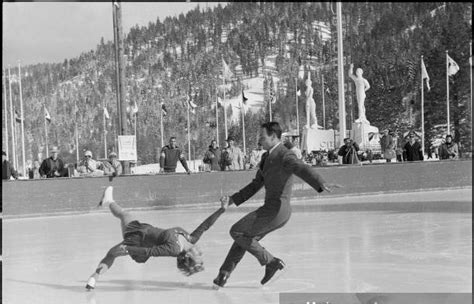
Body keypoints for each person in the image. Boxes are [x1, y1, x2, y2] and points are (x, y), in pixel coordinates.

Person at [212, 121, 341, 289]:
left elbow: (301, 168)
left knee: (236, 231)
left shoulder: (285, 155)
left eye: (262, 137)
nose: (260, 140)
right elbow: (255, 185)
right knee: (244, 238)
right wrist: (232, 199)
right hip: (270, 209)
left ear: (273, 137)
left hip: (277, 209)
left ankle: (272, 262)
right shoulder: (266, 157)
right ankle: (223, 275)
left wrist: (320, 183)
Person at [86, 187, 229, 290]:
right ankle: (93, 279)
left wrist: (128, 248)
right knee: (116, 240)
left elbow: (150, 252)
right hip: (143, 231)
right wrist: (222, 209)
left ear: (189, 256)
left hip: (137, 238)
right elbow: (205, 226)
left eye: (199, 257)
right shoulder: (190, 239)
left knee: (123, 218)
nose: (200, 253)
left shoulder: (173, 249)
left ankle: (109, 200)